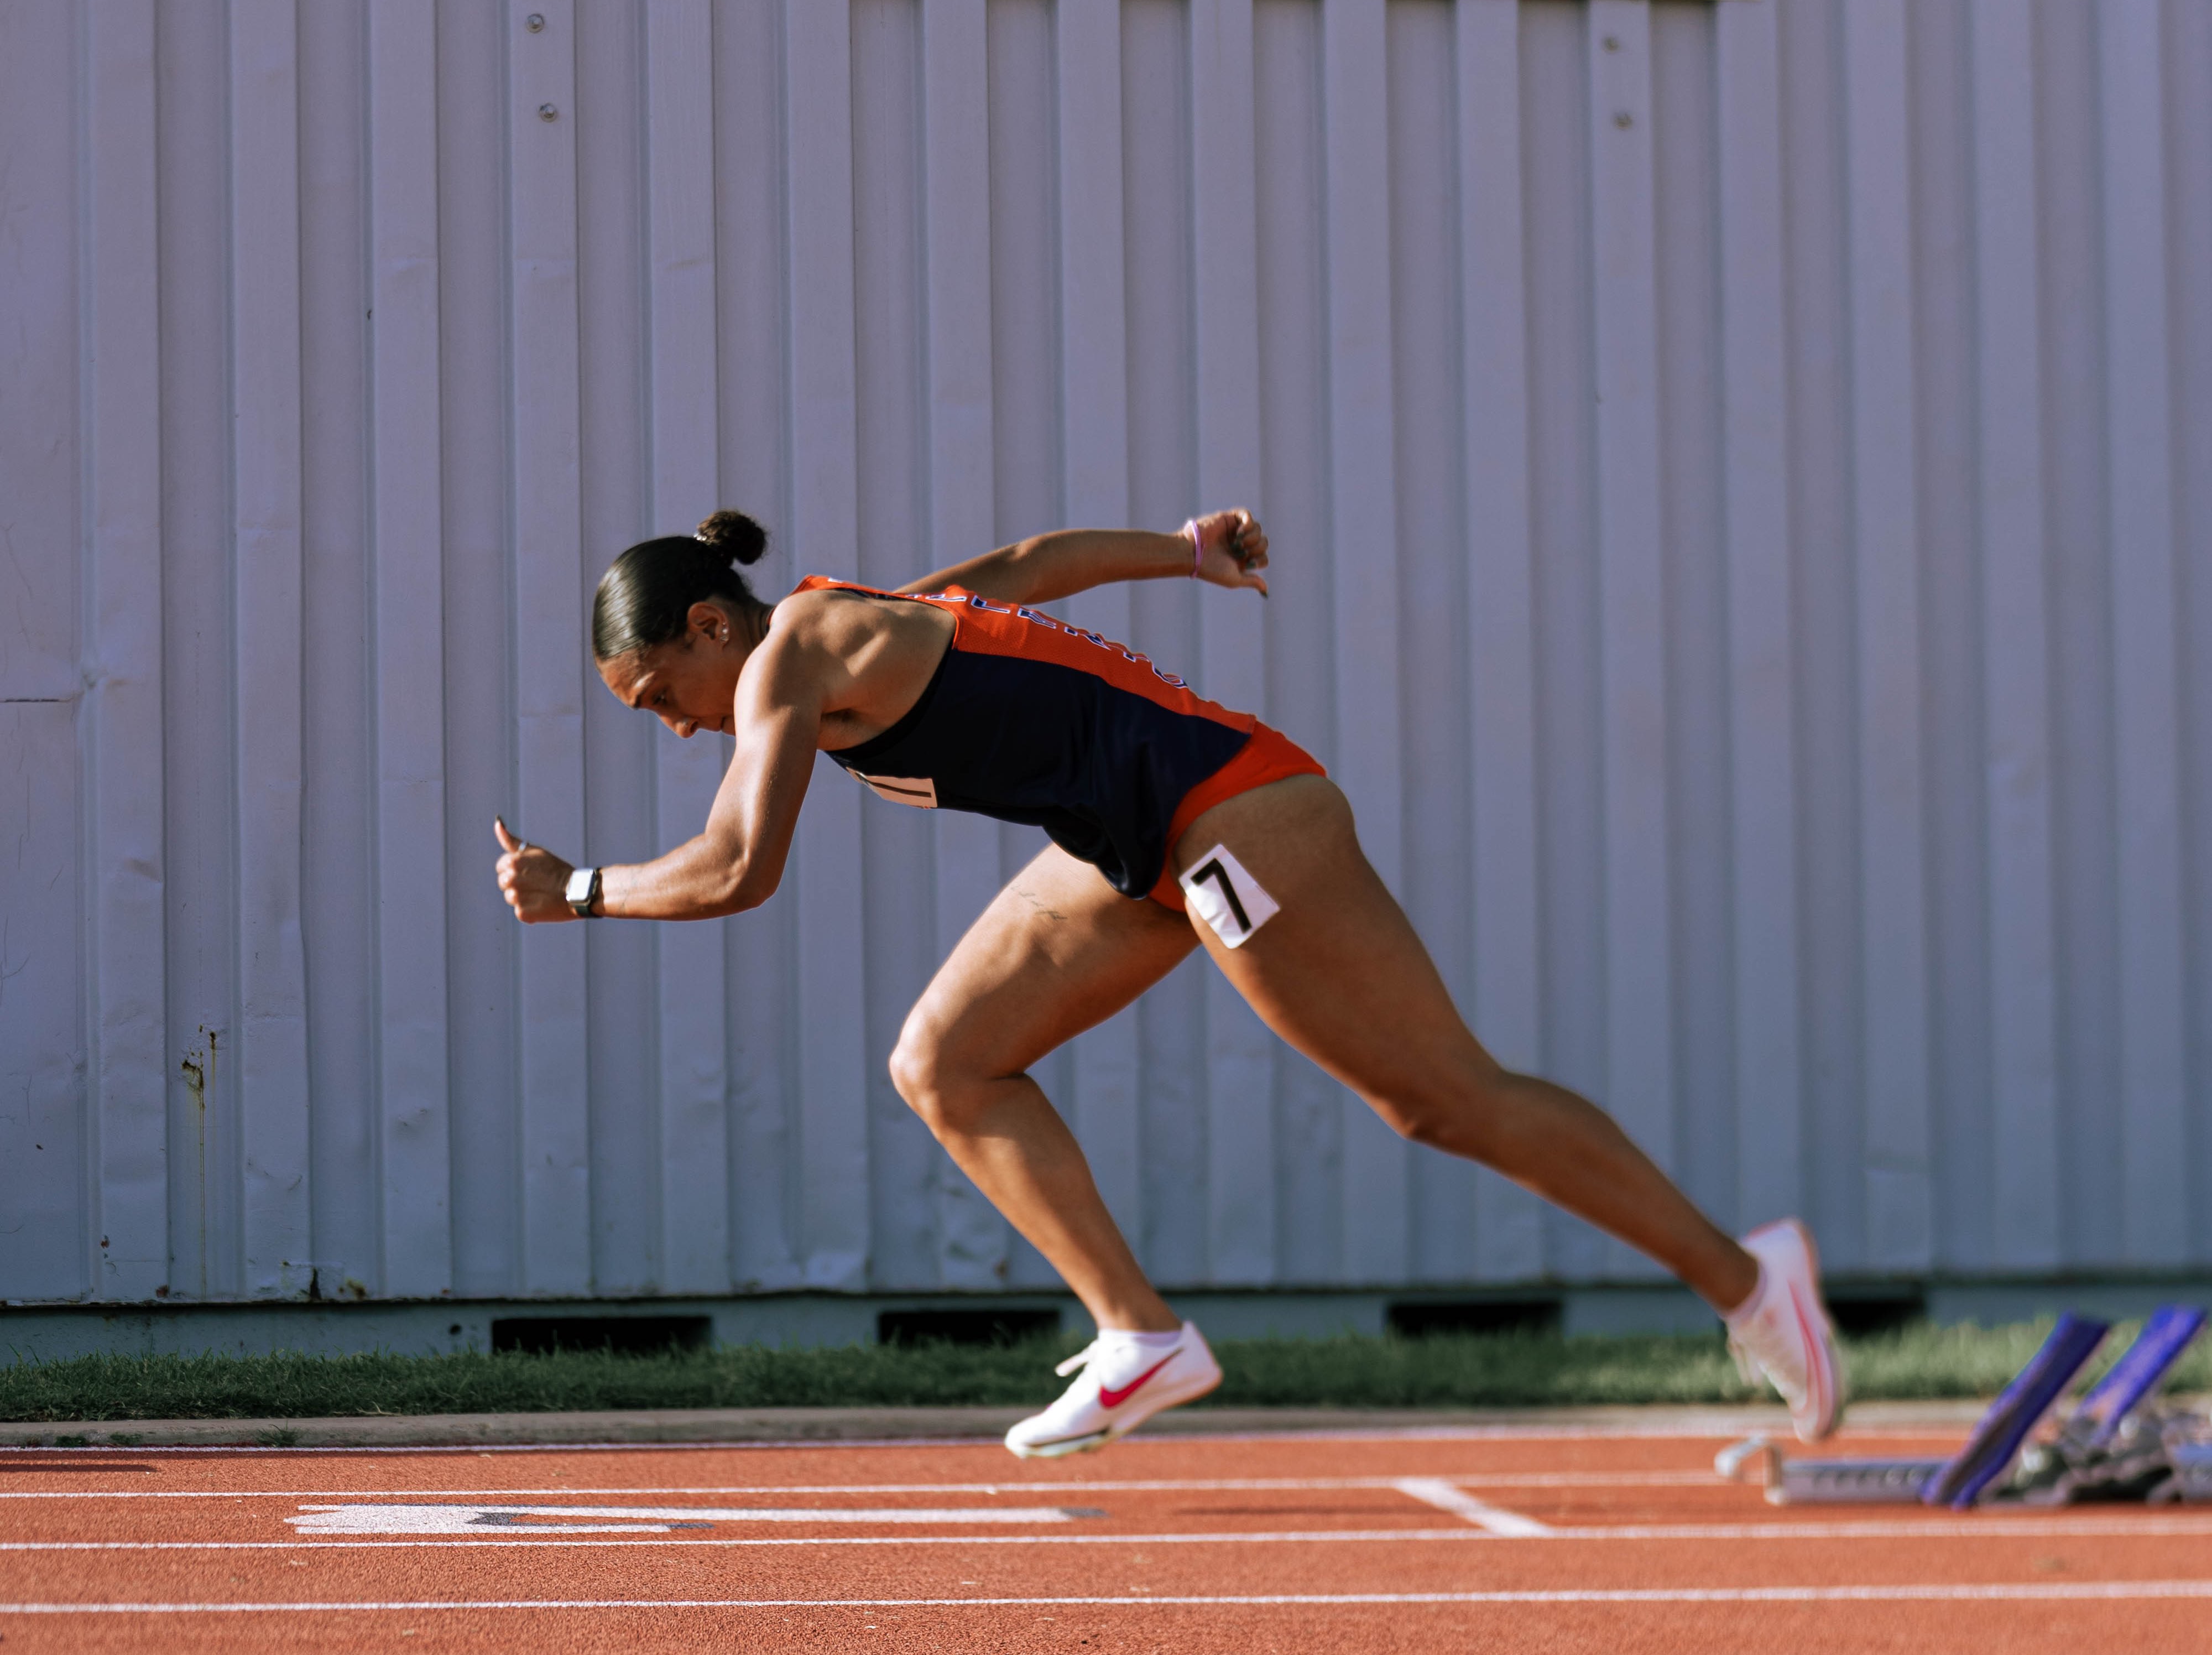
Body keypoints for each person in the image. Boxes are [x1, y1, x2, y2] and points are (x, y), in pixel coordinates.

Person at [495, 508, 1843, 1458]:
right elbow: (1026, 566)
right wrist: (1184, 554)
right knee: (946, 1063)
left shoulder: (794, 653)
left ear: (710, 624)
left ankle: (1745, 1282)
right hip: (1135, 843)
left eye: (658, 693)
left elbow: (739, 867)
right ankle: (1138, 1335)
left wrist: (583, 890)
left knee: (1439, 1101)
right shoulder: (842, 624)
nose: (672, 724)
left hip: (1234, 819)